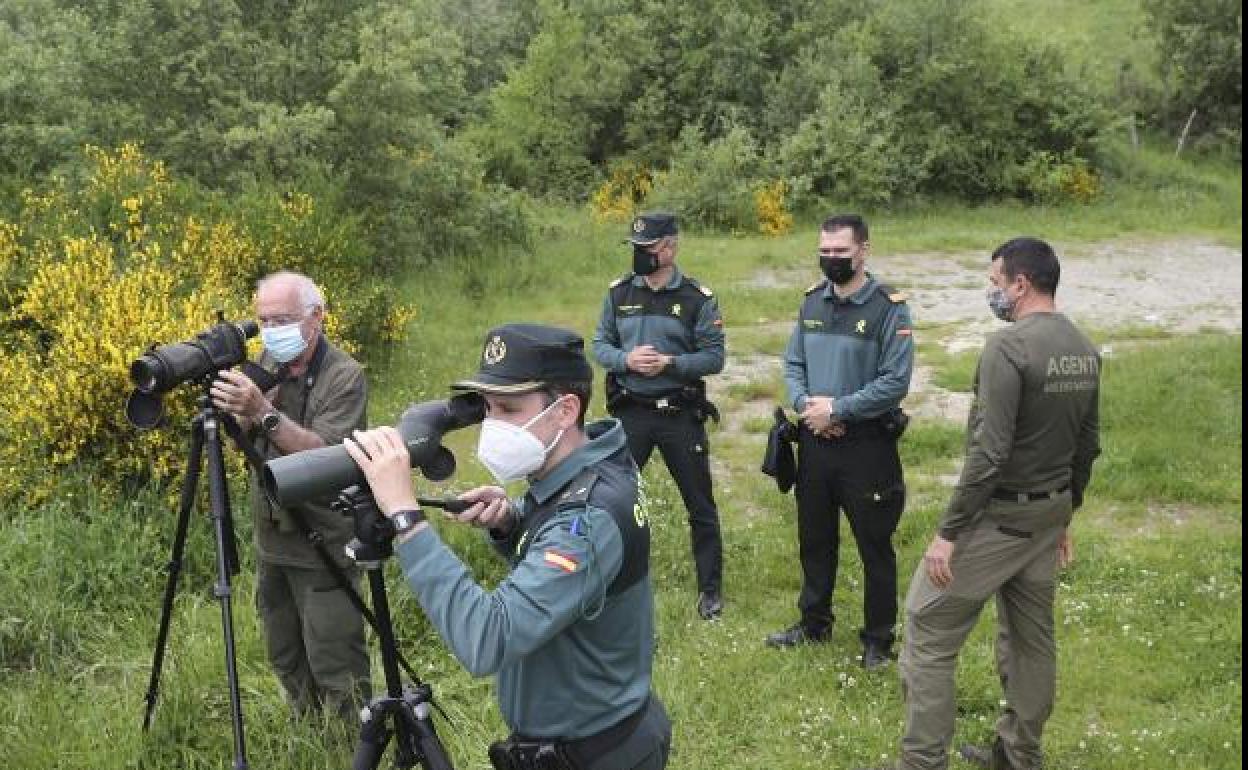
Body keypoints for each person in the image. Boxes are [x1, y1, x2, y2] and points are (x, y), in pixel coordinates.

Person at [344, 323, 672, 770]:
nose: (492, 425)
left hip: (595, 755)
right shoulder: (599, 456)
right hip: (603, 735)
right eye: (487, 409)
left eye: (509, 409)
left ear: (564, 410)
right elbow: (573, 552)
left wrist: (406, 517)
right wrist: (513, 522)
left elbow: (487, 639)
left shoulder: (587, 520)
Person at [865, 237, 1102, 770]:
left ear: (1021, 284)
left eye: (996, 282)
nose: (992, 291)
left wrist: (948, 534)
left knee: (927, 627)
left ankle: (922, 761)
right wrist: (1065, 514)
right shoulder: (1084, 349)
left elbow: (988, 455)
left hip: (999, 519)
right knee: (1030, 640)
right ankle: (1020, 755)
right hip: (1046, 518)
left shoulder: (1008, 348)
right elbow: (1088, 445)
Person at [209, 270, 371, 720]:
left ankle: (354, 747)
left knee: (335, 661)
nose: (271, 332)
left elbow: (327, 459)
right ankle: (309, 736)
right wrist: (238, 417)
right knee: (285, 654)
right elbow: (251, 451)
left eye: (281, 320)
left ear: (315, 318)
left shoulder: (344, 375)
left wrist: (262, 411)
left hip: (323, 541)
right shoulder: (265, 363)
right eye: (263, 321)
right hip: (273, 541)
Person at [767, 214, 914, 670]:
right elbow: (793, 364)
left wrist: (840, 409)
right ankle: (813, 624)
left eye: (840, 252)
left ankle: (877, 640)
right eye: (824, 251)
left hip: (866, 448)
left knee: (874, 546)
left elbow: (896, 382)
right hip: (815, 443)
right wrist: (808, 406)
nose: (831, 259)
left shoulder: (889, 308)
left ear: (863, 250)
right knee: (815, 539)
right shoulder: (811, 303)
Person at [591, 212, 727, 621]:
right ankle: (609, 579)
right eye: (635, 248)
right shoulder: (618, 293)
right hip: (632, 411)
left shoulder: (697, 298)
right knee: (612, 499)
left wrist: (669, 363)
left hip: (679, 414)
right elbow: (600, 345)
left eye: (647, 249)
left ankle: (710, 589)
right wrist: (626, 359)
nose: (639, 256)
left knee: (699, 504)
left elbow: (714, 357)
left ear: (670, 247)